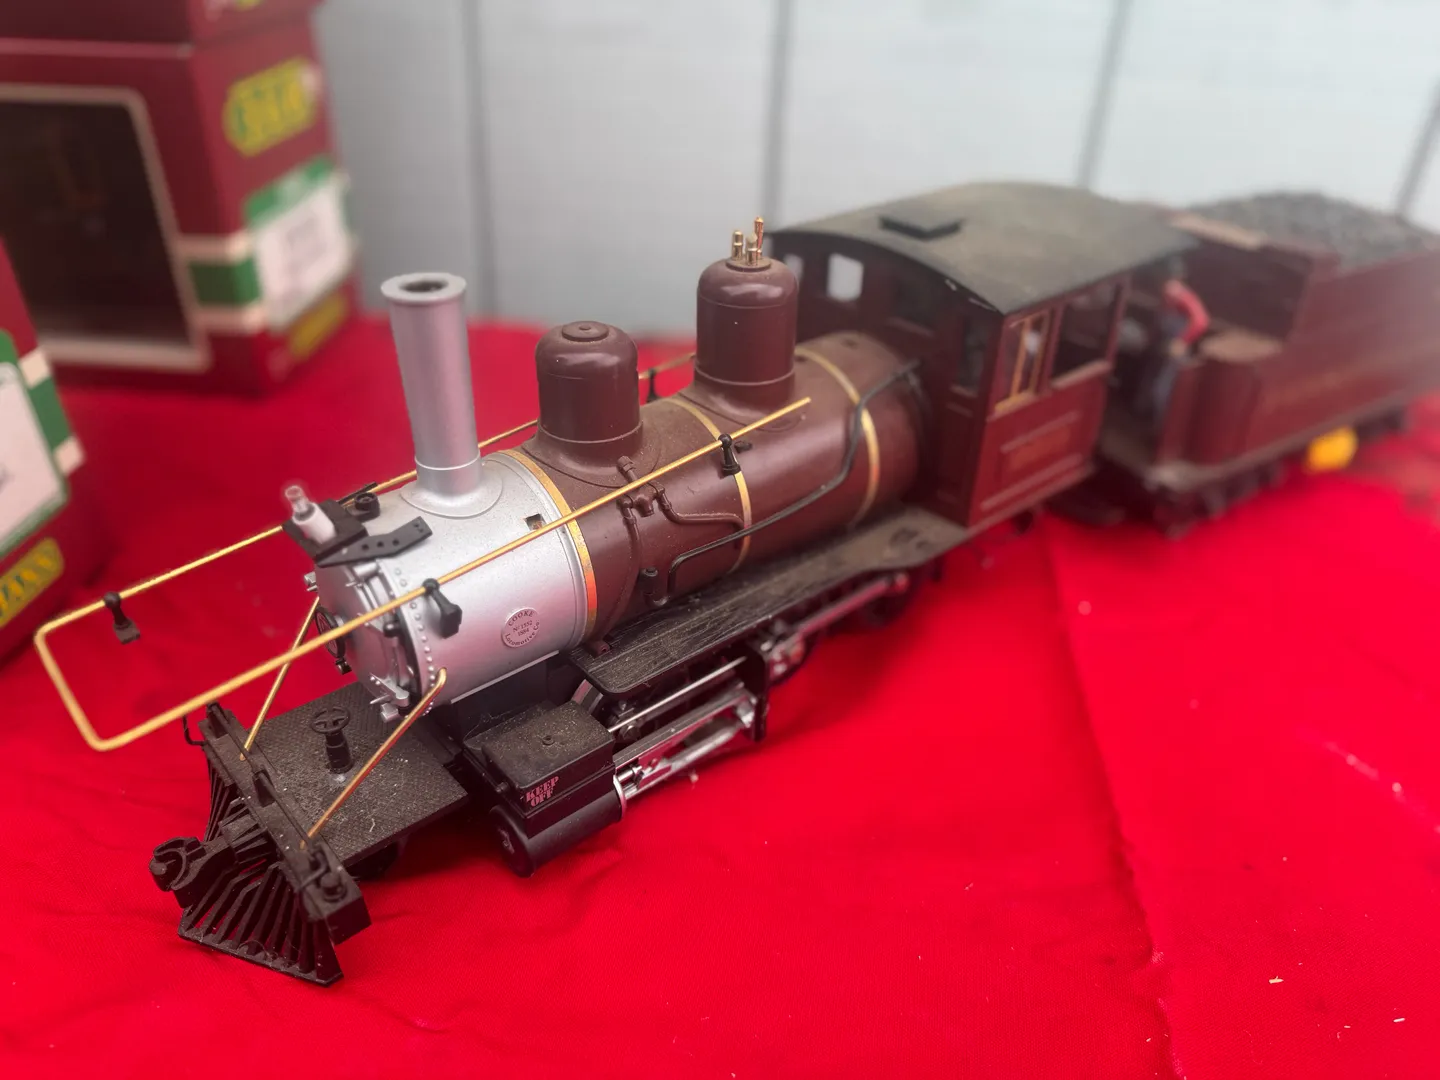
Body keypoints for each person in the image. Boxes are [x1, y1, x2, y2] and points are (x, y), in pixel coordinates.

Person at [1149, 258, 1209, 432]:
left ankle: (1163, 431)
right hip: (1163, 346)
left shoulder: (1183, 297)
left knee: (1162, 391)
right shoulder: (1167, 298)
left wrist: (1181, 340)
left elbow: (1201, 321)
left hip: (1175, 351)